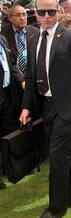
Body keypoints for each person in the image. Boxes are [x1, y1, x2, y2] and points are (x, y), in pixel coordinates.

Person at [19, 0, 71, 218]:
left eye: (52, 11)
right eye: (42, 12)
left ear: (59, 12)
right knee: (64, 155)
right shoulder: (33, 38)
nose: (47, 16)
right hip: (47, 108)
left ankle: (56, 207)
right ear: (36, 13)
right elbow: (31, 77)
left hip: (69, 109)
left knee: (57, 157)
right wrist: (25, 107)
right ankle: (70, 196)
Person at [1, 4, 39, 105]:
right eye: (18, 15)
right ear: (10, 18)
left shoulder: (35, 32)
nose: (22, 18)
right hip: (14, 81)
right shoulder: (3, 33)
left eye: (24, 14)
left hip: (33, 78)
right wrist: (20, 79)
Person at [0, 33, 21, 191]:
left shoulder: (2, 38)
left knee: (9, 131)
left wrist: (22, 80)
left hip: (7, 94)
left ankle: (11, 168)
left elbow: (11, 65)